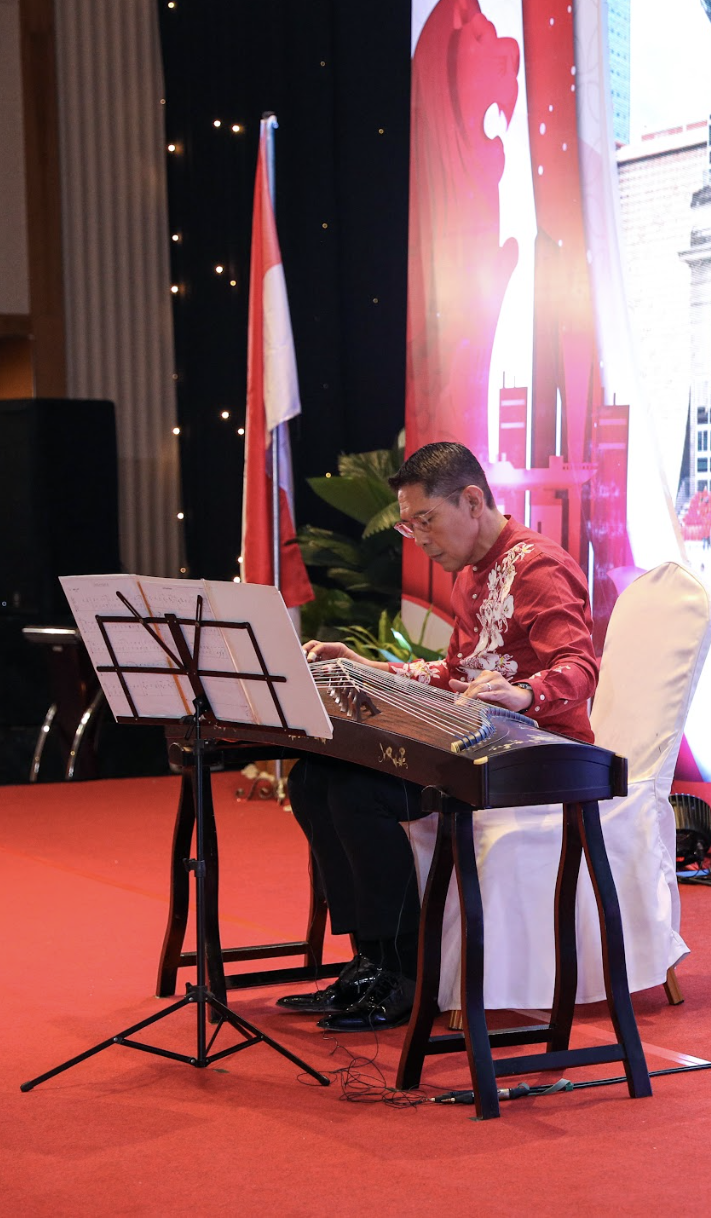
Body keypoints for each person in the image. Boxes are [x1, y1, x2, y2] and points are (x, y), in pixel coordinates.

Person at [277, 441, 600, 1030]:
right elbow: (451, 675)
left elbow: (580, 667)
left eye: (425, 520)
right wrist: (367, 666)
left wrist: (526, 693)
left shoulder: (538, 566)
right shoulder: (472, 573)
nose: (419, 538)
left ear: (472, 500)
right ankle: (370, 958)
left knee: (357, 792)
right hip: (475, 742)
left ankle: (404, 971)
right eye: (409, 526)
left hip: (540, 756)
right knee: (313, 779)